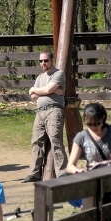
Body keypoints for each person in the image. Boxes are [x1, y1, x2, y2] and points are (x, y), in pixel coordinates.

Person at [23, 51, 67, 183]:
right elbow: (33, 97)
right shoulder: (40, 77)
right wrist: (51, 90)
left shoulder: (59, 74)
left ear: (52, 60)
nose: (43, 63)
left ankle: (63, 173)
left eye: (46, 60)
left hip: (54, 110)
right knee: (37, 142)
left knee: (56, 141)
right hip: (39, 111)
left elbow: (45, 91)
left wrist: (38, 89)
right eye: (41, 61)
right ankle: (34, 174)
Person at [65, 102, 111, 174]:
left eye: (96, 124)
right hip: (92, 176)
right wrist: (78, 171)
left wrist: (105, 163)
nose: (93, 127)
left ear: (103, 118)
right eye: (89, 124)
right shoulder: (81, 137)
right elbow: (70, 166)